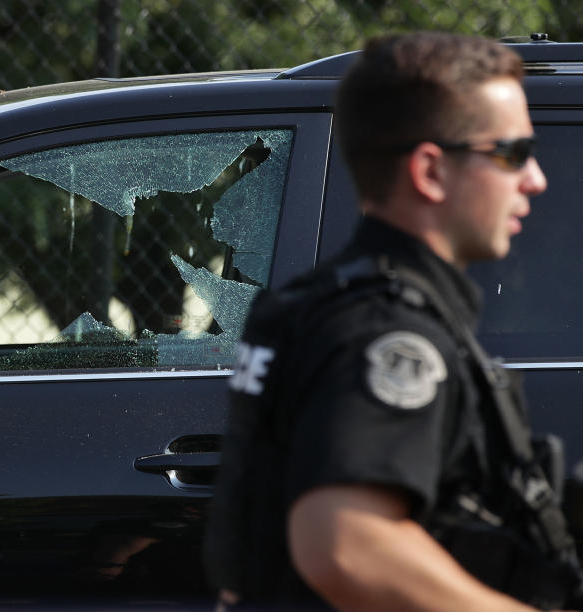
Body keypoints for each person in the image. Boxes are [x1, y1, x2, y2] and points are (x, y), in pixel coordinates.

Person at [204, 32, 583, 611]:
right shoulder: (383, 330)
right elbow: (348, 545)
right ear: (430, 171)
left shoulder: (313, 302)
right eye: (511, 154)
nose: (535, 180)